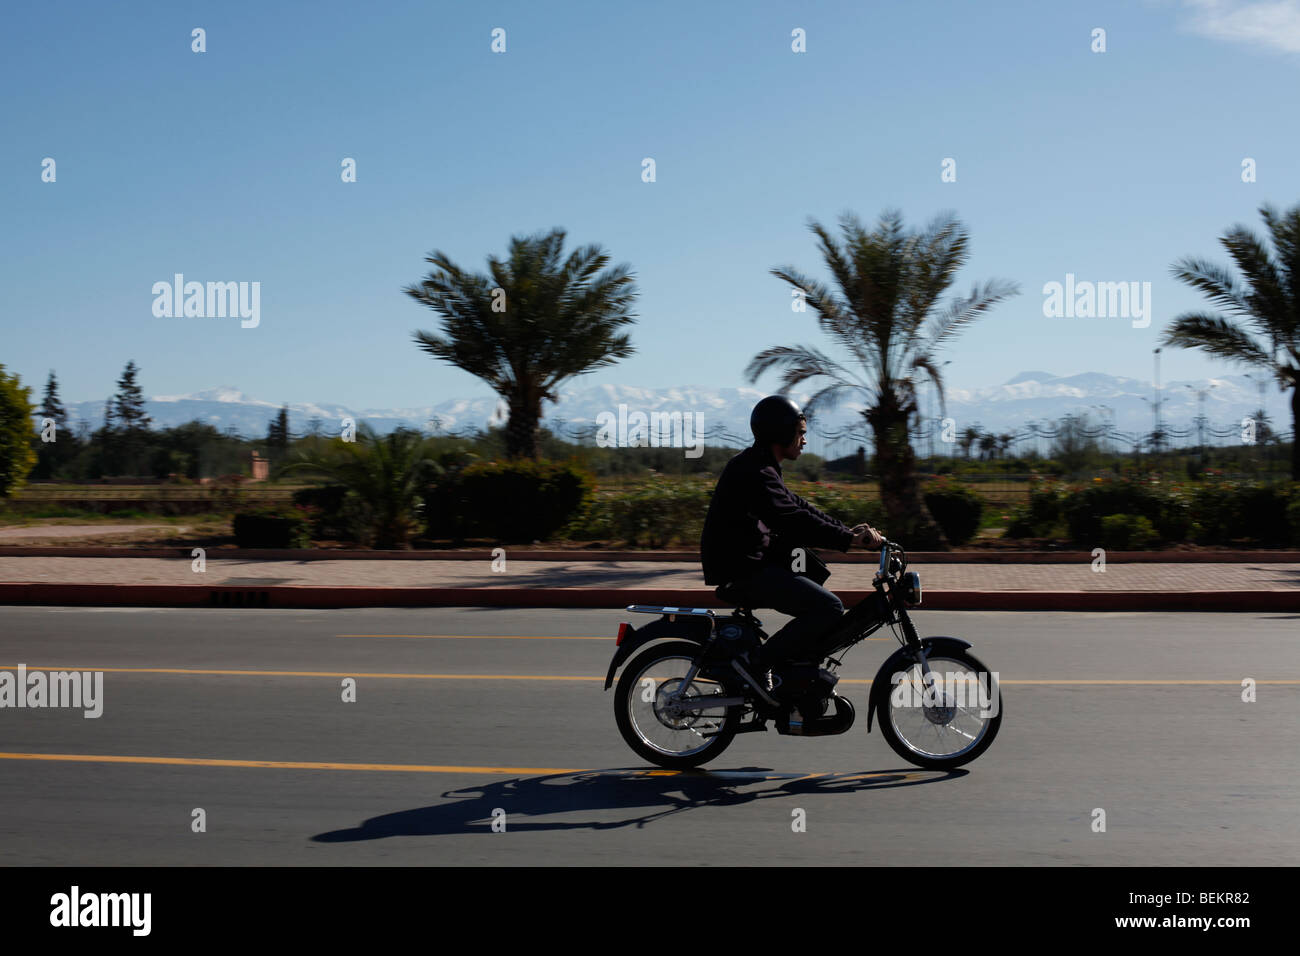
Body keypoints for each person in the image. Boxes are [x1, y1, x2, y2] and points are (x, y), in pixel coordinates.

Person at [700, 395, 884, 696]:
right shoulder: (755, 471)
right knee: (828, 607)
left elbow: (800, 507)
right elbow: (790, 518)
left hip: (750, 562)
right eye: (800, 434)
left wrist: (846, 532)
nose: (804, 441)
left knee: (814, 584)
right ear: (781, 434)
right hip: (742, 569)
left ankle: (793, 668)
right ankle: (756, 666)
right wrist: (846, 540)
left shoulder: (761, 465)